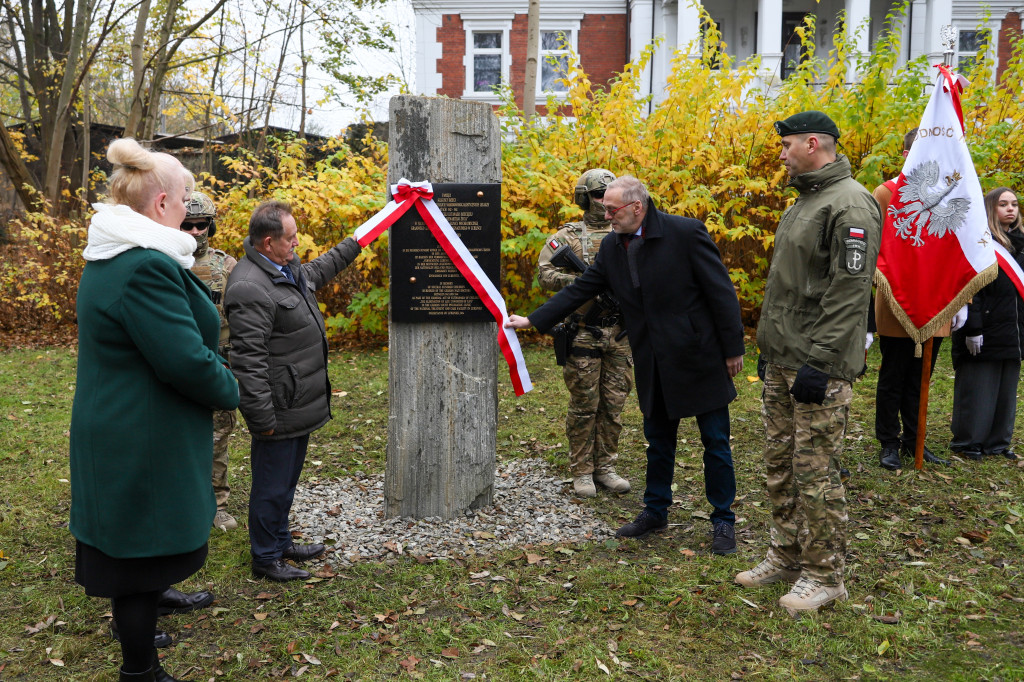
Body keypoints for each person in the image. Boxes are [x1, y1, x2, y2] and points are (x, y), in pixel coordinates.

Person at [70, 138, 239, 682]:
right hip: (138, 433)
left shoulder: (120, 251)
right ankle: (140, 671)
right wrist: (233, 389)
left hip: (132, 423)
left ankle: (156, 595)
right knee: (136, 556)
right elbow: (185, 360)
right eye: (187, 197)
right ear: (162, 203)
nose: (192, 207)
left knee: (144, 540)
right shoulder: (143, 265)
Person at [506, 175, 745, 555]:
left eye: (612, 209)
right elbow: (582, 288)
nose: (606, 215)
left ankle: (722, 520)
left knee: (715, 442)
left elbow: (720, 292)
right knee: (659, 442)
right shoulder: (612, 245)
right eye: (603, 208)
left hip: (697, 355)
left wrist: (733, 349)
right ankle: (655, 511)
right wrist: (533, 320)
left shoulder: (686, 233)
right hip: (651, 356)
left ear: (637, 206)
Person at [737, 111, 881, 615]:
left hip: (817, 363)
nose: (781, 155)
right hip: (783, 358)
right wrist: (770, 345)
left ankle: (824, 576)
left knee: (815, 469)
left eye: (787, 146)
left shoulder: (850, 204)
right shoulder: (806, 201)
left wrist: (820, 361)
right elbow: (791, 286)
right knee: (780, 464)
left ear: (813, 144)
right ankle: (786, 553)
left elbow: (849, 291)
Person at [224, 200, 362, 581]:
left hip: (296, 400)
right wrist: (262, 418)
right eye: (292, 238)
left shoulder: (286, 268)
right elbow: (247, 362)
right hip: (278, 407)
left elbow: (321, 268)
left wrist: (358, 240)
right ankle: (266, 558)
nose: (298, 243)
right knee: (271, 485)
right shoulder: (250, 286)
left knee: (285, 481)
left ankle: (281, 542)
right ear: (268, 242)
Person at [537, 168, 633, 498]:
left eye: (608, 195)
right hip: (582, 333)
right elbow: (545, 274)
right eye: (596, 195)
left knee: (613, 405)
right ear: (583, 197)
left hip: (620, 333)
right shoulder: (567, 237)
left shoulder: (629, 232)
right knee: (584, 405)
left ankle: (605, 466)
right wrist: (581, 284)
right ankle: (582, 470)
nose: (603, 202)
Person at [872, 128, 952, 470]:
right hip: (897, 299)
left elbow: (955, 251)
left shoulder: (949, 193)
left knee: (923, 376)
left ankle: (914, 439)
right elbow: (876, 246)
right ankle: (888, 442)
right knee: (893, 375)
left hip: (937, 301)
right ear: (905, 154)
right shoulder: (886, 193)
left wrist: (960, 302)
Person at [949, 187, 1024, 461]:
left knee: (1006, 391)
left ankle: (997, 443)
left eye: (1014, 204)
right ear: (990, 208)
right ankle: (969, 442)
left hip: (1014, 330)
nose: (1010, 209)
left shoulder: (1021, 243)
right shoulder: (979, 243)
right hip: (984, 327)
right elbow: (972, 290)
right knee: (978, 388)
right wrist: (973, 329)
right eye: (1003, 204)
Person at [181, 191, 241, 530]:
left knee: (218, 434)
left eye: (200, 225)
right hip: (179, 361)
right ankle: (183, 500)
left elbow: (244, 314)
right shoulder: (165, 260)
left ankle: (216, 503)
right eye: (186, 225)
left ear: (210, 226)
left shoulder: (226, 266)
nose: (193, 232)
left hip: (219, 364)